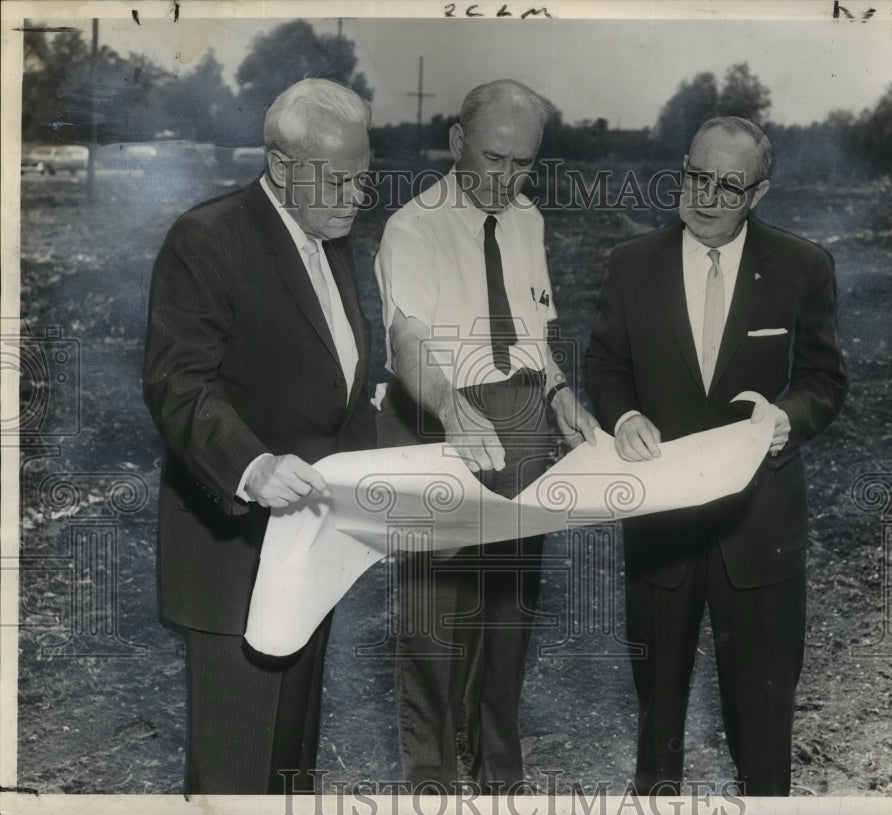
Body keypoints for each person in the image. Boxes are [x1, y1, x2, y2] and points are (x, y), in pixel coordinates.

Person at [584, 117, 847, 796]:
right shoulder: (631, 264)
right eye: (696, 177)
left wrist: (787, 419)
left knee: (762, 727)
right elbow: (606, 363)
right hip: (660, 525)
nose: (705, 197)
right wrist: (625, 414)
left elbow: (825, 378)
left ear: (759, 193)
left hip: (759, 529)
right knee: (658, 722)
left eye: (729, 186)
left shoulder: (802, 266)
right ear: (682, 167)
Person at [143, 79, 374, 795]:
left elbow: (334, 386)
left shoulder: (327, 236)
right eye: (337, 179)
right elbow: (180, 384)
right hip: (233, 556)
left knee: (289, 770)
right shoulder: (208, 238)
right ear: (280, 165)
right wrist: (254, 463)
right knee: (234, 782)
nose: (355, 196)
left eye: (362, 177)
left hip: (309, 551)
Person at [375, 78, 598, 790]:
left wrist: (560, 393)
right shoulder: (414, 227)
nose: (509, 179)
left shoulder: (528, 220)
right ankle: (432, 782)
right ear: (456, 143)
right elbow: (408, 335)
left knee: (507, 612)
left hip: (524, 425)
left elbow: (535, 330)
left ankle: (500, 771)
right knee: (434, 626)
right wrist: (450, 404)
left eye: (524, 164)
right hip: (442, 421)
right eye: (496, 160)